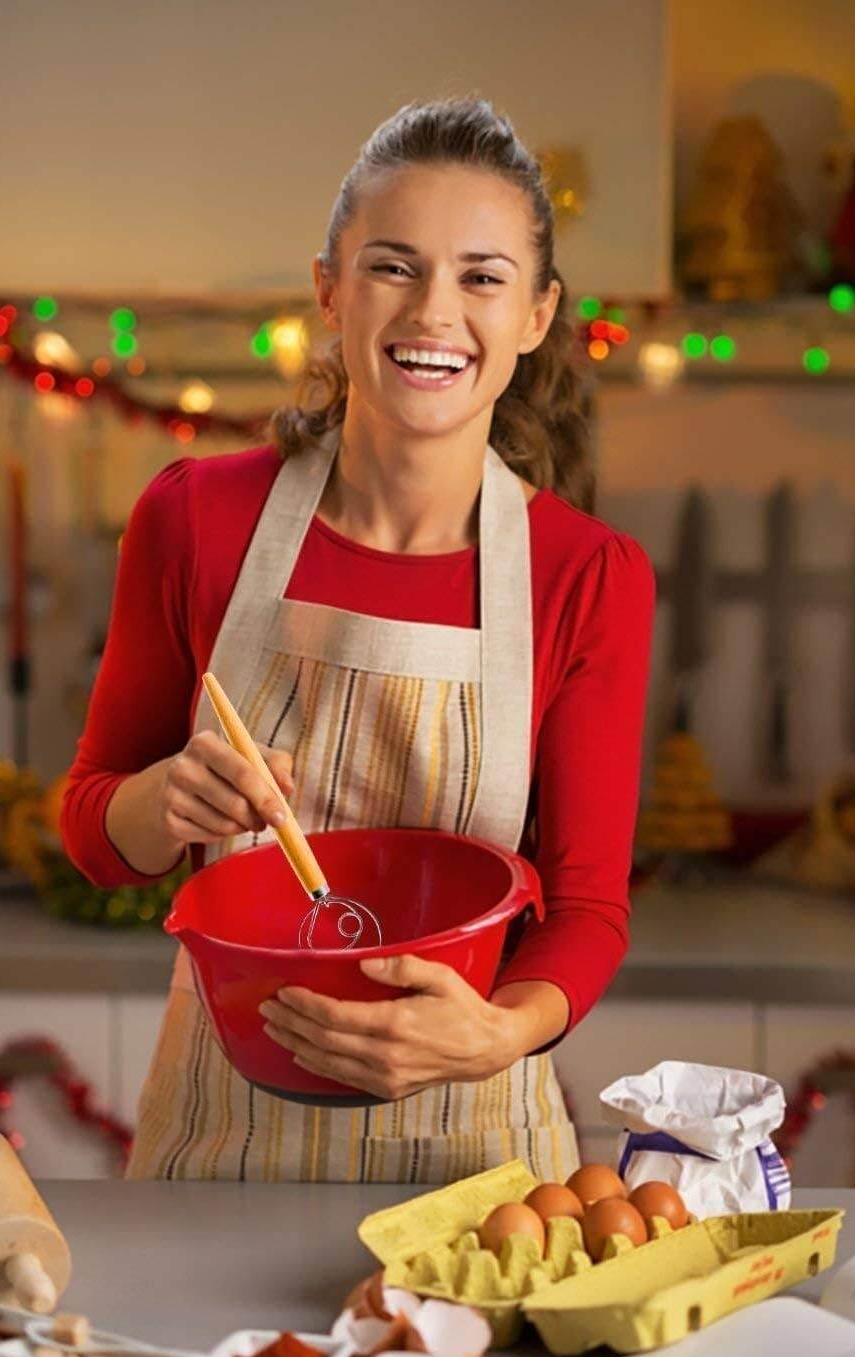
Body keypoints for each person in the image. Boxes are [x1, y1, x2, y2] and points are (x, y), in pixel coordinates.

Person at [62, 94, 655, 1183]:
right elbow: (98, 833)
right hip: (215, 1149)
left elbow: (586, 909)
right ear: (330, 289)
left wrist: (502, 1030)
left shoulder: (585, 576)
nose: (435, 312)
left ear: (535, 314)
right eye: (394, 266)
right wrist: (165, 800)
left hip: (475, 1160)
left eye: (482, 276)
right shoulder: (197, 518)